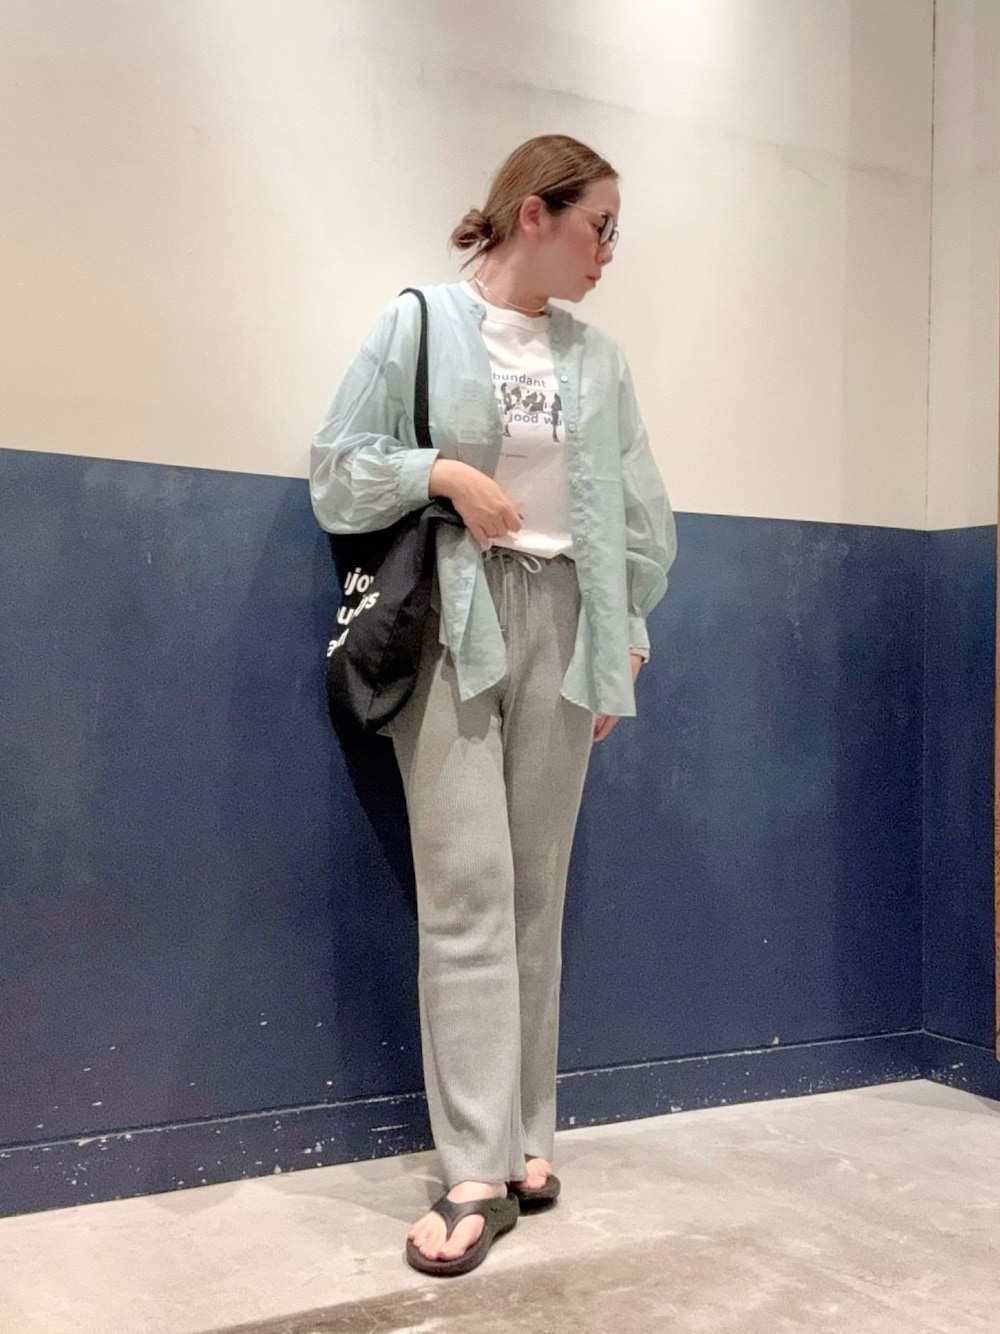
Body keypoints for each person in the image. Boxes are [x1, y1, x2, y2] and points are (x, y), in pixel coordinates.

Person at [310, 134, 676, 1278]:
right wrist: (439, 472)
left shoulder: (599, 360)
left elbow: (636, 511)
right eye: (597, 226)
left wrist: (619, 639)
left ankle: (524, 1136)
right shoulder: (419, 321)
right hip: (455, 622)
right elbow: (336, 466)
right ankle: (472, 1166)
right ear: (533, 213)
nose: (608, 250)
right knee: (468, 889)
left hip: (567, 624)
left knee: (534, 890)